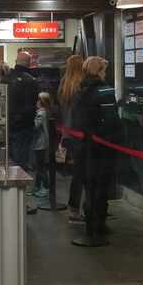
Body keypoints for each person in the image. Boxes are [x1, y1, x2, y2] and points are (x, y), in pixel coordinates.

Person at [72, 56, 119, 241]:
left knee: (90, 185)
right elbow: (111, 120)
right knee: (101, 186)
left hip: (83, 146)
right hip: (102, 147)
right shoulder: (105, 90)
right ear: (99, 70)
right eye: (104, 69)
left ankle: (90, 221)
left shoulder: (79, 89)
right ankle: (98, 224)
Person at [58, 54, 85, 223]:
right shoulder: (81, 86)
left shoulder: (64, 85)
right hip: (81, 134)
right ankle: (84, 209)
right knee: (83, 174)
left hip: (67, 133)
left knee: (76, 174)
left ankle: (74, 209)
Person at [5, 51, 40, 172]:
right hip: (23, 127)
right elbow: (31, 106)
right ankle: (21, 188)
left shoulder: (6, 78)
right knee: (21, 162)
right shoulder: (30, 80)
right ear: (29, 63)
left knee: (9, 160)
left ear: (16, 62)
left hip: (6, 124)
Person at [31, 92, 52, 198]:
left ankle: (46, 188)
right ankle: (37, 187)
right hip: (40, 143)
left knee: (41, 167)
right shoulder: (44, 112)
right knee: (39, 166)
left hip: (40, 144)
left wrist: (29, 118)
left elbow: (35, 126)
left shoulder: (41, 113)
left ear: (41, 101)